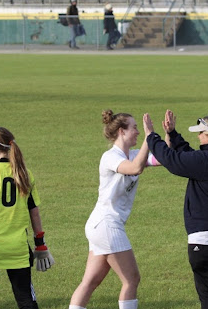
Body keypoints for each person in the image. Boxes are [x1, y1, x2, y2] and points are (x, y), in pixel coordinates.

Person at [146, 110, 208, 309]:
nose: (198, 136)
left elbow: (172, 160)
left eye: (200, 132)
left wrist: (151, 136)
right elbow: (189, 156)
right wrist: (173, 134)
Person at [69, 111, 160, 309]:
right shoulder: (110, 157)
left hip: (101, 226)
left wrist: (168, 134)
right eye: (134, 127)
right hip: (106, 225)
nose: (137, 131)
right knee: (131, 279)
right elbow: (135, 168)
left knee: (90, 282)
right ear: (121, 131)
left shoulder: (134, 154)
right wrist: (149, 136)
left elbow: (161, 159)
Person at [0, 126, 55, 308]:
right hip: (18, 249)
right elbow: (35, 211)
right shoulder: (24, 173)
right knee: (26, 301)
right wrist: (40, 244)